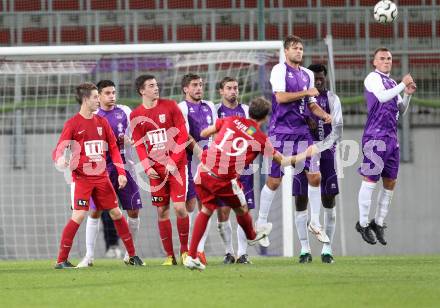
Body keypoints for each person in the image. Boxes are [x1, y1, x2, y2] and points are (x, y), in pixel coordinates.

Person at [184, 96, 314, 271]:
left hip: (204, 170)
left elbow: (203, 134)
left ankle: (191, 256)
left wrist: (221, 139)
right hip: (223, 179)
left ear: (250, 111)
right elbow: (282, 161)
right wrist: (306, 153)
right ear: (265, 118)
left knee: (206, 209)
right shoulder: (260, 138)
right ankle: (252, 235)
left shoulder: (230, 119)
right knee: (242, 209)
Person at [255, 35, 332, 263]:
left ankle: (315, 222)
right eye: (295, 48)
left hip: (301, 132)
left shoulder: (307, 74)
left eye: (301, 48)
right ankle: (261, 222)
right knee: (274, 181)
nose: (299, 51)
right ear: (286, 51)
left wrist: (322, 114)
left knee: (315, 176)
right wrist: (306, 94)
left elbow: (310, 104)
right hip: (280, 132)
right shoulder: (279, 70)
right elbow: (280, 97)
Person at [52, 82, 144, 269]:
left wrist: (120, 173)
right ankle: (61, 260)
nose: (98, 101)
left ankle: (132, 256)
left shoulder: (102, 123)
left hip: (102, 178)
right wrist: (60, 159)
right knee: (79, 215)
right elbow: (59, 148)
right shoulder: (73, 124)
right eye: (95, 97)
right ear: (86, 99)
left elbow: (114, 149)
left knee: (116, 212)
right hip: (82, 179)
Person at [356, 47, 416, 245]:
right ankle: (363, 224)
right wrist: (402, 84)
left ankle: (378, 222)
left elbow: (401, 110)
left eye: (389, 58)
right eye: (382, 58)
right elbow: (382, 97)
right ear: (374, 62)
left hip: (391, 137)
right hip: (375, 136)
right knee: (370, 181)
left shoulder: (391, 82)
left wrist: (407, 94)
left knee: (390, 183)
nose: (386, 61)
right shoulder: (372, 78)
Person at [130, 75, 190, 265]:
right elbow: (139, 145)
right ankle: (169, 256)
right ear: (142, 91)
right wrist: (147, 167)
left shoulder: (171, 106)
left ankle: (185, 252)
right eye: (151, 86)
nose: (156, 88)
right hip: (156, 171)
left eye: (156, 84)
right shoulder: (136, 115)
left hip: (177, 167)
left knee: (180, 208)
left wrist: (174, 160)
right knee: (162, 211)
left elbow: (183, 135)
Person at [294, 64, 343, 263]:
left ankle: (327, 249)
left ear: (325, 78)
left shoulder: (332, 99)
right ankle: (305, 250)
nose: (318, 81)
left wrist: (320, 147)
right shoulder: (300, 100)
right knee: (300, 198)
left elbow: (338, 129)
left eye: (321, 78)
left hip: (326, 153)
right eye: (314, 78)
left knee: (328, 200)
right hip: (302, 152)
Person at [215, 76, 255, 265]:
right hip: (222, 168)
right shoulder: (215, 111)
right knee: (223, 211)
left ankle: (243, 253)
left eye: (235, 88)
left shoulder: (245, 110)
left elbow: (254, 132)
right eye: (229, 88)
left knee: (243, 209)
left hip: (243, 167)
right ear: (221, 91)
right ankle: (228, 252)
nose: (233, 91)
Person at [178, 73, 217, 265]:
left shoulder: (210, 106)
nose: (199, 88)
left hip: (208, 161)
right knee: (190, 205)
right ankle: (187, 250)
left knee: (207, 205)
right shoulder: (182, 108)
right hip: (188, 160)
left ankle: (199, 251)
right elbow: (184, 135)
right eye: (194, 85)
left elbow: (216, 131)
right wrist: (199, 152)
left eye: (201, 84)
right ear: (186, 89)